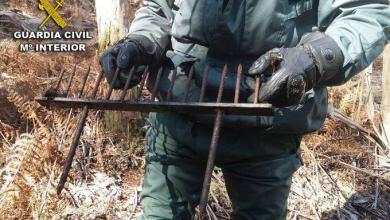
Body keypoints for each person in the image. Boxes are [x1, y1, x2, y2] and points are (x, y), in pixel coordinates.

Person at [100, 0, 390, 219]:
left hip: (267, 123)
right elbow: (160, 9)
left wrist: (317, 57)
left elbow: (367, 11)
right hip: (179, 114)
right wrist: (141, 42)